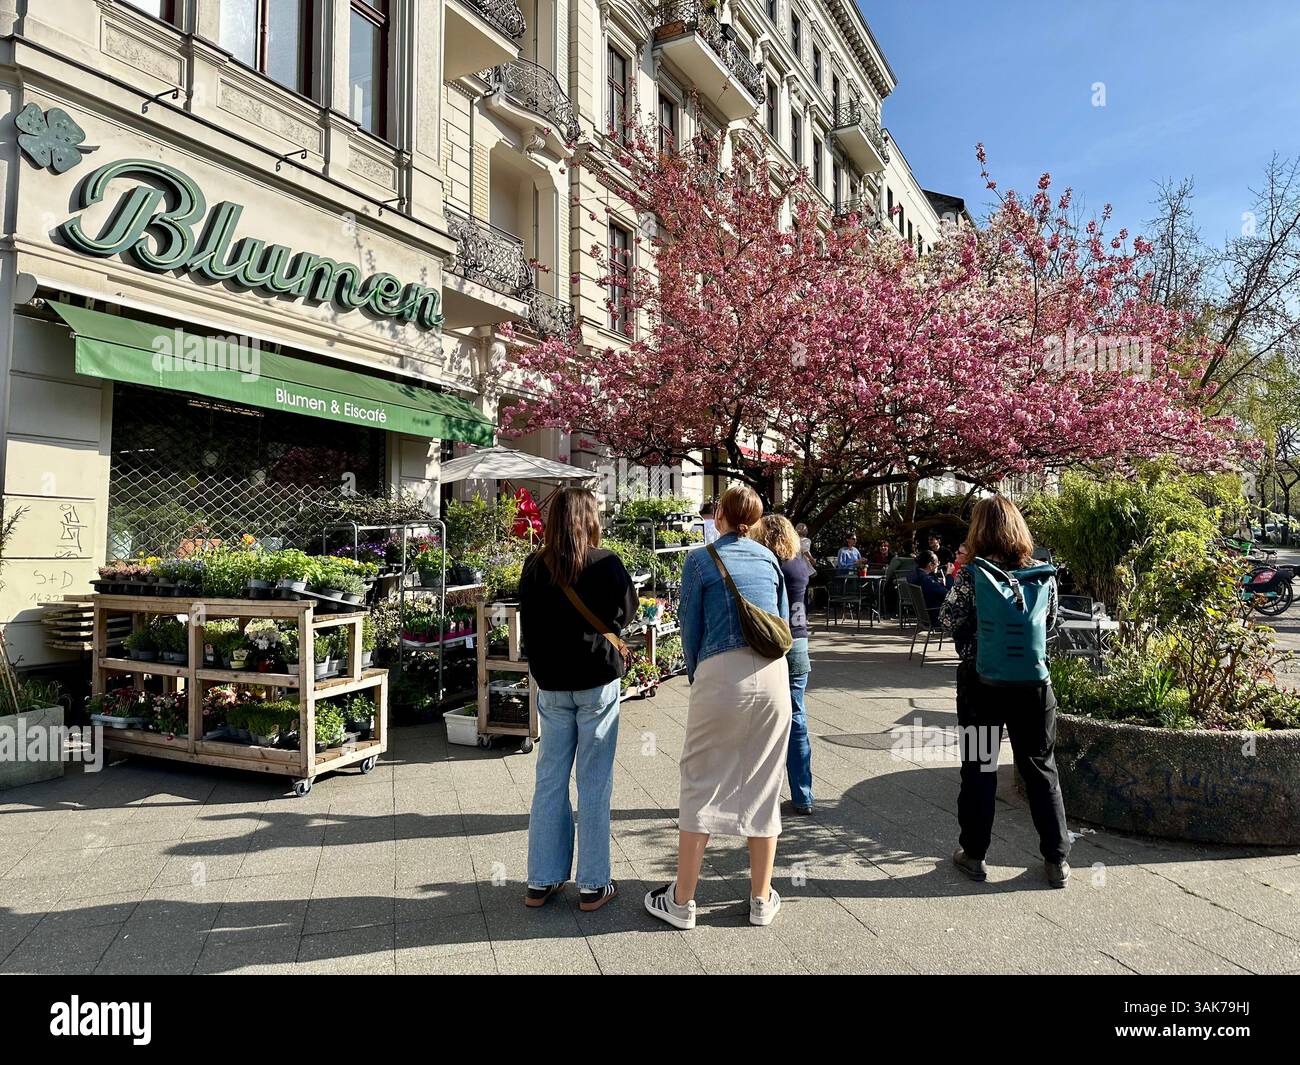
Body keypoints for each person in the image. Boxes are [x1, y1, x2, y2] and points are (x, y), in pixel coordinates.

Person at [645, 486, 792, 930]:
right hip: (773, 677)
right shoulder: (770, 560)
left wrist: (699, 678)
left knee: (700, 781)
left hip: (720, 673)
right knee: (766, 782)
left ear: (720, 515)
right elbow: (780, 621)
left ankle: (682, 901)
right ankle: (761, 898)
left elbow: (690, 629)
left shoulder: (701, 559)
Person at [939, 496, 1070, 889]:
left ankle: (975, 855)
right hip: (1033, 687)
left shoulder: (973, 574)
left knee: (979, 767)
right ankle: (1056, 860)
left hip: (982, 687)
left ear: (978, 530)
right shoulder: (1041, 574)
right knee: (1041, 767)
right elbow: (1048, 627)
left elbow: (947, 618)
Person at [519, 487, 638, 912]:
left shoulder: (534, 565)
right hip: (596, 678)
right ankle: (592, 883)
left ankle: (541, 880)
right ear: (589, 518)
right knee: (594, 780)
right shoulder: (606, 562)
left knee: (549, 778)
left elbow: (527, 624)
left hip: (551, 685)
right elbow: (626, 614)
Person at [753, 514, 815, 816]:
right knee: (798, 717)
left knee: (765, 719)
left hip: (775, 641)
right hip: (800, 641)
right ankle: (803, 794)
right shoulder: (800, 563)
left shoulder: (770, 565)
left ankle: (761, 793)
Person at [907, 549, 951, 625]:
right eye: (937, 562)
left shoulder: (915, 574)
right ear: (930, 565)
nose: (938, 564)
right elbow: (948, 594)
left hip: (924, 616)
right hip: (936, 616)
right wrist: (949, 575)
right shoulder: (927, 580)